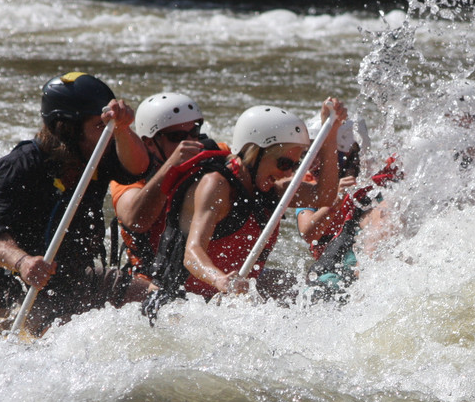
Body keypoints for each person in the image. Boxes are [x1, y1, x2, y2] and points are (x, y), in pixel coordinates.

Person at [0, 72, 153, 336]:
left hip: (72, 278)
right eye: (99, 125)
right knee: (62, 334)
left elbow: (138, 168)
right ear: (68, 129)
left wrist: (121, 128)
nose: (106, 133)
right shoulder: (20, 165)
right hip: (13, 286)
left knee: (155, 298)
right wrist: (23, 262)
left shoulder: (98, 153)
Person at [145, 99, 347, 314]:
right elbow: (192, 254)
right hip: (176, 299)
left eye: (295, 165)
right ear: (254, 152)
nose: (289, 173)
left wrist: (331, 133)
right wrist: (220, 280)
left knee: (313, 294)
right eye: (284, 164)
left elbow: (324, 196)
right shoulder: (216, 186)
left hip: (227, 298)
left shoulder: (272, 189)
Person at [110, 92, 227, 277]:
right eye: (177, 136)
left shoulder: (215, 153)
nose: (191, 141)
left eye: (194, 131)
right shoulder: (128, 177)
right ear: (149, 143)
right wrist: (172, 167)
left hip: (205, 272)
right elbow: (136, 220)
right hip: (151, 279)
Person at [296, 114, 402, 296]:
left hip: (363, 256)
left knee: (387, 206)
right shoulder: (310, 186)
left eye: (320, 153)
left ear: (351, 155)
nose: (312, 162)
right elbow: (308, 232)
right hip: (331, 264)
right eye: (308, 154)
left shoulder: (373, 181)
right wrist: (334, 202)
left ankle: (371, 283)